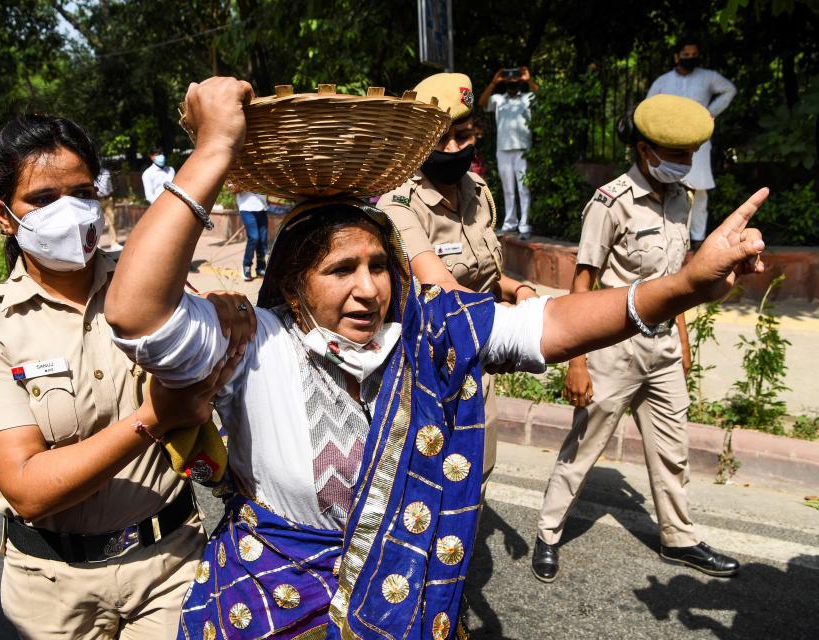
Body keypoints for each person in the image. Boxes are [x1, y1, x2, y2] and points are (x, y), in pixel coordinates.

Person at [104, 77, 767, 639]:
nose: (368, 286)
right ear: (293, 285)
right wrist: (214, 149)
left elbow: (549, 324)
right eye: (340, 270)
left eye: (378, 265)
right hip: (269, 609)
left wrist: (680, 287)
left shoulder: (430, 329)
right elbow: (135, 312)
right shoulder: (251, 339)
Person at [0, 114, 248, 639]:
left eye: (83, 192)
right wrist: (155, 418)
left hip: (170, 567)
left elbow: (226, 371)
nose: (68, 211)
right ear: (2, 215)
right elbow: (27, 489)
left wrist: (232, 323)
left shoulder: (155, 288)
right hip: (52, 589)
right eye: (42, 199)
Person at [531, 94, 741, 585]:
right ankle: (547, 532)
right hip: (613, 346)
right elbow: (582, 283)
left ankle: (679, 538)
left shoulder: (680, 198)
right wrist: (576, 361)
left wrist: (683, 337)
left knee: (673, 449)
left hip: (664, 347)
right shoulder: (609, 203)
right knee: (584, 445)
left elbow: (681, 275)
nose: (686, 164)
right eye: (678, 155)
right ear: (646, 151)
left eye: (691, 155)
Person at [379, 72, 539, 490]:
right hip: (426, 375)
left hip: (477, 361)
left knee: (476, 479)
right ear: (418, 142)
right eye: (441, 139)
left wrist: (519, 290)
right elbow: (441, 285)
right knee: (422, 493)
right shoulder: (399, 203)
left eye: (462, 135)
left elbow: (486, 272)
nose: (453, 148)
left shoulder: (479, 191)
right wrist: (517, 329)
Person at [648, 37, 736, 246]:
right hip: (669, 140)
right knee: (670, 185)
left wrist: (709, 113)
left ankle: (698, 237)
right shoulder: (664, 81)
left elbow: (729, 89)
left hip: (699, 140)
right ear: (677, 56)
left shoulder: (707, 77)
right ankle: (675, 236)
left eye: (694, 55)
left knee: (700, 189)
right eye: (686, 55)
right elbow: (648, 105)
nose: (690, 58)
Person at [478, 66, 539, 240]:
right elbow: (481, 103)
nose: (513, 84)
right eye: (509, 81)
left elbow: (542, 97)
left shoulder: (527, 98)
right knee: (508, 189)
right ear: (505, 83)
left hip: (523, 149)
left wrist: (529, 80)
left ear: (520, 83)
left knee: (524, 188)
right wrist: (494, 82)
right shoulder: (498, 99)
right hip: (503, 149)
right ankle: (510, 223)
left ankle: (525, 224)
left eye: (516, 81)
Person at [234, 189, 268, 281]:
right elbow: (233, 188)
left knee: (262, 239)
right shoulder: (238, 174)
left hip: (262, 207)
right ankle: (247, 266)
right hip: (246, 208)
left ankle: (261, 268)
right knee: (254, 237)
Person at [96, 162, 122, 250]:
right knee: (96, 223)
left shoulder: (106, 172)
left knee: (112, 220)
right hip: (96, 201)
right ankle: (96, 245)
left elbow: (110, 185)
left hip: (108, 199)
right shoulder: (90, 173)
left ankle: (114, 243)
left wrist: (111, 198)